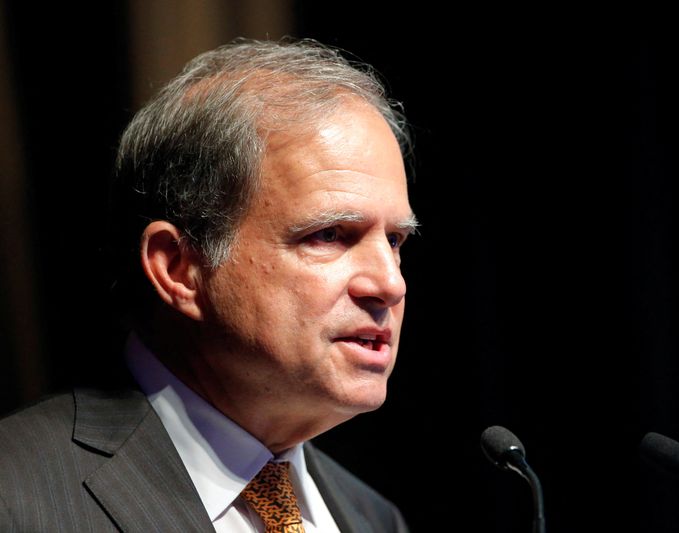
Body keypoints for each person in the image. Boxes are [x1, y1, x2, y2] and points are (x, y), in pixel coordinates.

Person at [0, 37, 417, 532]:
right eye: (328, 235)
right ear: (179, 268)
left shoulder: (374, 518)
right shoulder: (16, 494)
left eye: (394, 241)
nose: (389, 284)